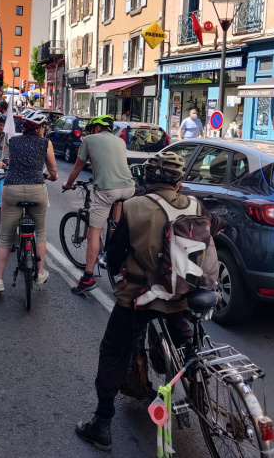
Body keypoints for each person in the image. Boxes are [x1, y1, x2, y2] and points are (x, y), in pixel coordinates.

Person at [75, 151, 225, 451]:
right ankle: (202, 397)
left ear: (147, 178)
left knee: (113, 350)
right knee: (188, 345)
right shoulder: (196, 205)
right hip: (183, 294)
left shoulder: (133, 206)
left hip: (138, 296)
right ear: (179, 182)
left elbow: (115, 257)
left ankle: (102, 424)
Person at [62, 115, 136, 295]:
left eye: (91, 128)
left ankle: (87, 278)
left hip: (107, 189)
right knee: (116, 209)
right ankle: (114, 233)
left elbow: (77, 167)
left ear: (96, 128)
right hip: (129, 188)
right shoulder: (119, 141)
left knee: (93, 232)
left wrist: (68, 184)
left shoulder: (89, 139)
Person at [0, 113, 57, 296]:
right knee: (40, 232)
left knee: (5, 238)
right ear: (40, 128)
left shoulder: (14, 141)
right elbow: (53, 171)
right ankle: (41, 272)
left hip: (12, 189)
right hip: (37, 190)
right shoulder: (45, 144)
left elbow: (11, 163)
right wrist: (51, 177)